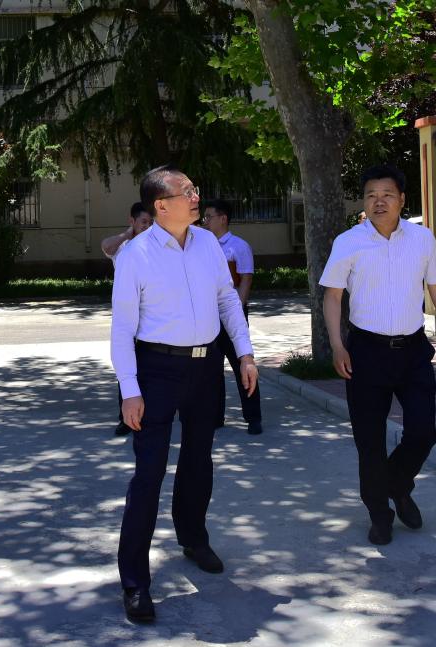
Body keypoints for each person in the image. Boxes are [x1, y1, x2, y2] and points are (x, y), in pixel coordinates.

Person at [111, 165, 258, 623]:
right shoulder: (135, 255)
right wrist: (130, 390)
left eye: (195, 189)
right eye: (187, 192)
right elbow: (122, 328)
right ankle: (135, 582)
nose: (197, 197)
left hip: (205, 366)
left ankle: (193, 538)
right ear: (161, 205)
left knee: (199, 461)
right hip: (157, 369)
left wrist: (245, 353)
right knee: (149, 473)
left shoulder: (208, 243)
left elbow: (227, 299)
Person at [320, 164, 436, 547]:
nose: (378, 201)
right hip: (365, 353)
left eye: (387, 194)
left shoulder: (421, 239)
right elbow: (332, 296)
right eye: (371, 195)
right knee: (369, 441)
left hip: (413, 350)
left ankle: (398, 485)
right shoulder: (348, 242)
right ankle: (379, 515)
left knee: (422, 430)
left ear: (402, 199)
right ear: (364, 202)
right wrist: (337, 345)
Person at [201, 199, 263, 435]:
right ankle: (215, 416)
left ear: (223, 218)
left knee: (242, 365)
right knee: (211, 368)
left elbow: (246, 280)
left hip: (232, 314)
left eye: (209, 217)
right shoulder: (203, 246)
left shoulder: (238, 246)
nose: (205, 221)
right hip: (209, 316)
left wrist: (238, 310)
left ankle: (253, 417)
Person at [101, 202, 154, 436]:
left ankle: (151, 413)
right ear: (132, 221)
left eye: (151, 222)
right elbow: (105, 247)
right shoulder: (124, 246)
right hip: (129, 315)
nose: (147, 226)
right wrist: (128, 234)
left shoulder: (157, 245)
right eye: (143, 222)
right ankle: (126, 417)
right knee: (127, 367)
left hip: (152, 317)